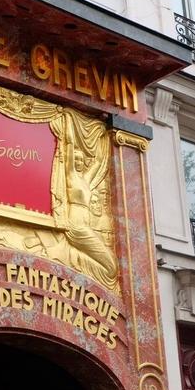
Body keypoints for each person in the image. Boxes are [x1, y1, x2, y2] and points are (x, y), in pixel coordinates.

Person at [64, 121, 118, 291]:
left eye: (81, 159)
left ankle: (74, 257)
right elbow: (70, 145)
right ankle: (72, 258)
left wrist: (103, 136)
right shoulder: (70, 175)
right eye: (76, 159)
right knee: (111, 269)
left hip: (85, 227)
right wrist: (69, 123)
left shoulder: (86, 180)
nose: (79, 162)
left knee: (112, 269)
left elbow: (98, 161)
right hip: (76, 226)